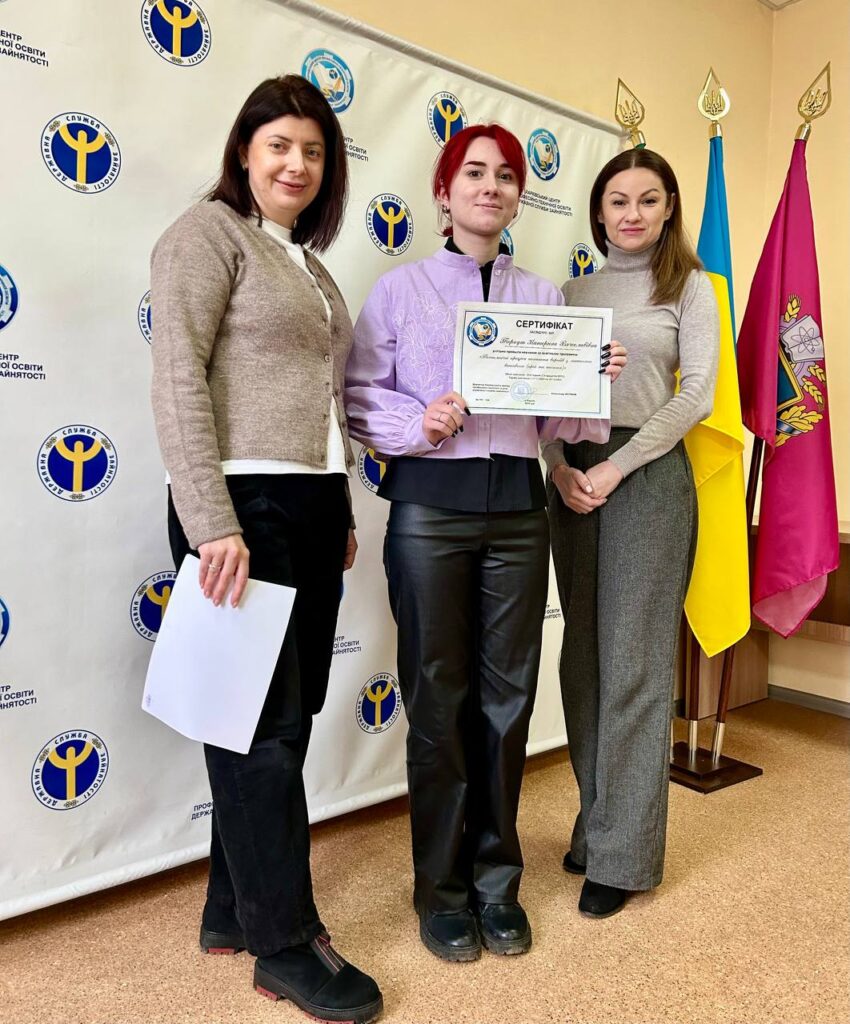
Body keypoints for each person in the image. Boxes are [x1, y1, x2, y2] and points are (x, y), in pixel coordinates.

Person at [344, 124, 626, 962]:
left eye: (506, 175)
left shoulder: (545, 298)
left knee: (508, 702)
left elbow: (561, 424)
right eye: (474, 172)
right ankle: (440, 890)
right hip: (430, 509)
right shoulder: (399, 290)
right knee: (438, 702)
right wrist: (419, 421)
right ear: (444, 192)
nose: (491, 187)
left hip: (517, 512)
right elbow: (359, 398)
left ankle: (497, 884)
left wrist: (591, 378)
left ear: (517, 197)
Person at [149, 75, 382, 1024]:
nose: (297, 163)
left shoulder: (313, 269)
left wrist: (342, 511)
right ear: (245, 150)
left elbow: (325, 405)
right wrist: (211, 520)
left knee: (282, 716)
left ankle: (229, 909)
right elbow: (177, 378)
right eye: (280, 144)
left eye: (314, 151)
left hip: (312, 506)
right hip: (241, 507)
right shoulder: (205, 235)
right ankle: (284, 945)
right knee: (261, 730)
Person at [542, 147, 719, 919]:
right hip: (572, 479)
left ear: (670, 207)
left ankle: (624, 855)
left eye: (649, 199)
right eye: (618, 200)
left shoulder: (691, 288)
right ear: (599, 211)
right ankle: (598, 824)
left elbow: (698, 396)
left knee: (634, 665)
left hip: (645, 476)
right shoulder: (571, 292)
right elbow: (543, 397)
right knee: (582, 662)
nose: (633, 213)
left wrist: (617, 466)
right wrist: (558, 468)